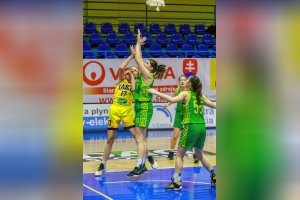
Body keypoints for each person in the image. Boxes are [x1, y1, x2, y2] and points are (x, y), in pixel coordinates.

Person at [148, 75, 217, 190]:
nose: (185, 82)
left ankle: (176, 182)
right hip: (202, 128)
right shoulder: (200, 96)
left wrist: (156, 92)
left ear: (190, 84)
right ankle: (214, 176)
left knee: (179, 154)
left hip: (191, 126)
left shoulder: (186, 94)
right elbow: (215, 105)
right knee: (200, 154)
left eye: (187, 81)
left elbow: (171, 99)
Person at [95, 46, 144, 177]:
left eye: (135, 71)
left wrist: (133, 76)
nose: (131, 71)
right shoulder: (121, 80)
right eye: (131, 70)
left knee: (137, 137)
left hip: (127, 111)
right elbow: (121, 68)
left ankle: (143, 160)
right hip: (115, 109)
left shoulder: (137, 83)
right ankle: (103, 164)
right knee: (110, 139)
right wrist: (131, 56)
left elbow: (133, 89)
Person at [127, 29, 167, 177]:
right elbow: (139, 58)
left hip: (144, 106)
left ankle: (139, 166)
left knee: (139, 138)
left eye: (147, 63)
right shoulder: (144, 75)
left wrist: (138, 44)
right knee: (140, 138)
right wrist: (138, 48)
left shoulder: (148, 76)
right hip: (139, 106)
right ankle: (143, 164)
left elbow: (137, 59)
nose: (145, 63)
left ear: (150, 68)